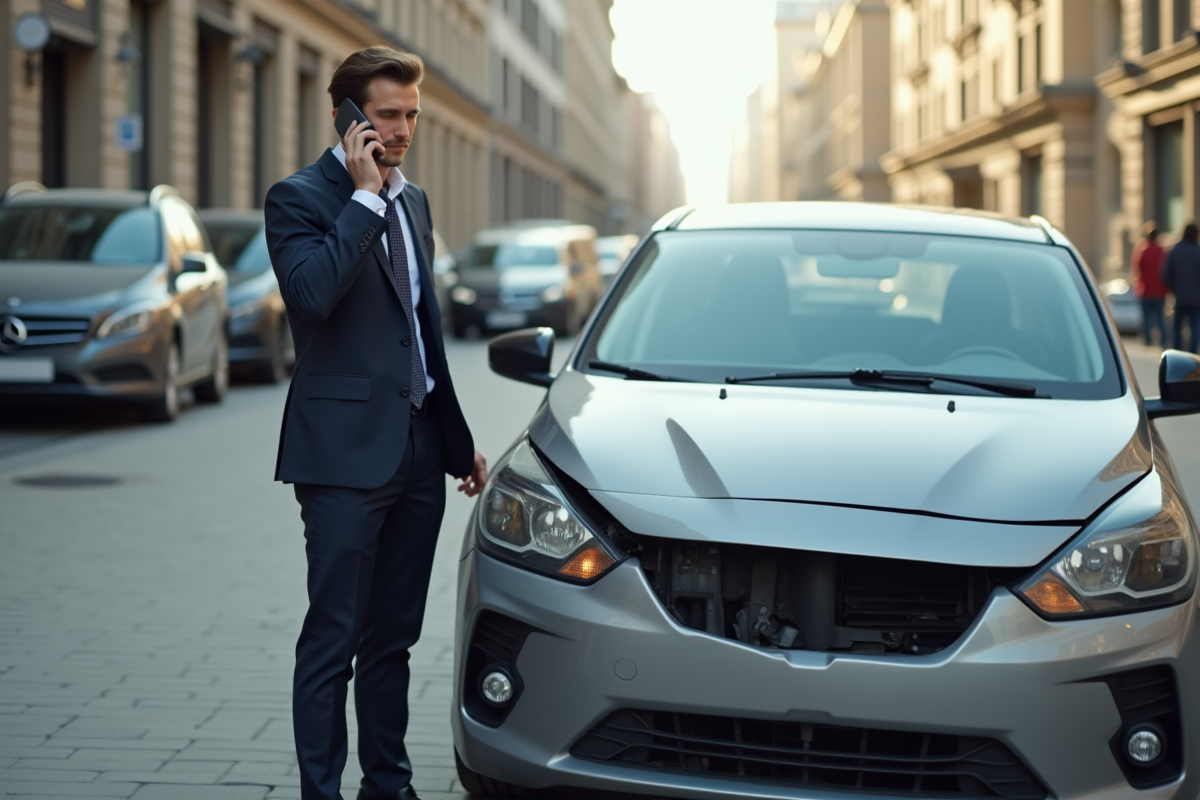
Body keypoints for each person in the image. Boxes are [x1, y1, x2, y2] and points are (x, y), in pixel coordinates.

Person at [263, 46, 488, 800]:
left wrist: (456, 441)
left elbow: (421, 330)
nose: (402, 130)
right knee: (332, 641)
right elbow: (312, 297)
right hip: (342, 459)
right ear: (347, 116)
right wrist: (362, 199)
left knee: (393, 638)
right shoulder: (296, 198)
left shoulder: (416, 200)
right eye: (387, 115)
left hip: (420, 448)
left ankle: (387, 785)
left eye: (412, 116)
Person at [1164, 222, 1200, 353]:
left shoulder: (1175, 251)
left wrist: (1173, 289)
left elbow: (1166, 274)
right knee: (1195, 328)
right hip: (1196, 299)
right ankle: (1193, 354)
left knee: (1177, 328)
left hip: (1179, 297)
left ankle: (1177, 352)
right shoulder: (1198, 251)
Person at [1130, 221, 1167, 346]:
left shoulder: (1142, 250)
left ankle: (1148, 339)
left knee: (1146, 317)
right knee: (1160, 317)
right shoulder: (1162, 251)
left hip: (1145, 289)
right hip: (1159, 290)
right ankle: (1163, 339)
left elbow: (1136, 268)